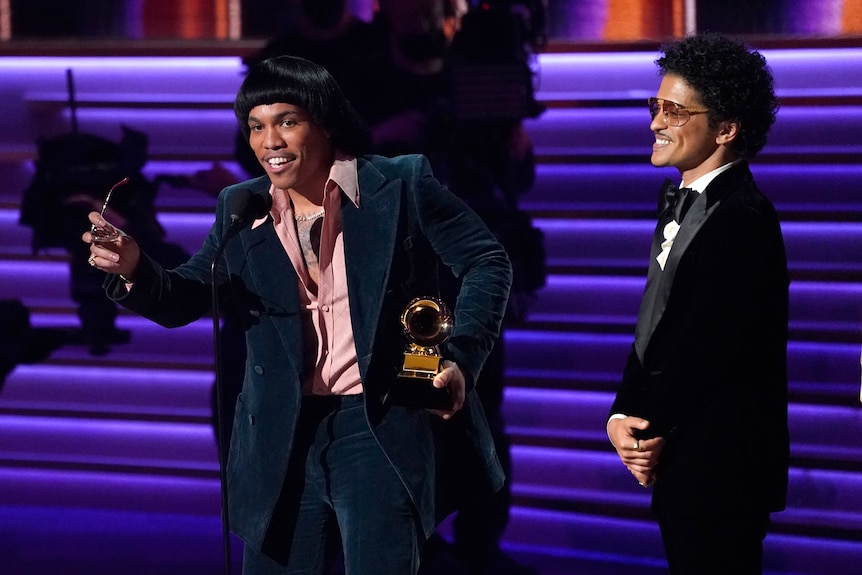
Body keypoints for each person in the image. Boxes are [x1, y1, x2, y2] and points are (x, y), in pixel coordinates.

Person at [82, 55, 512, 575]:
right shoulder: (241, 206)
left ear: (324, 122)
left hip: (376, 424)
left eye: (287, 121)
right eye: (256, 127)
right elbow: (190, 293)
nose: (270, 142)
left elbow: (487, 260)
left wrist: (461, 358)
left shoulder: (399, 184)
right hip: (280, 438)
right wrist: (136, 268)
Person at [606, 33, 790, 575]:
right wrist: (622, 412)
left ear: (726, 129)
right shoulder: (681, 205)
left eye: (673, 111)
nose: (654, 122)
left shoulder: (743, 218)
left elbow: (704, 347)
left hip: (721, 467)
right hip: (683, 460)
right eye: (655, 106)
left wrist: (647, 429)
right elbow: (654, 326)